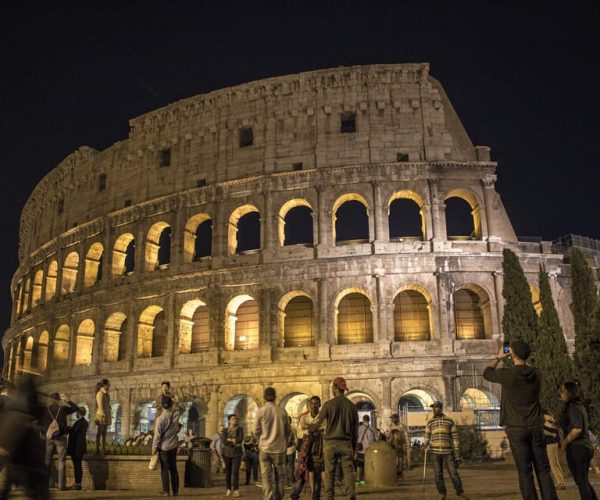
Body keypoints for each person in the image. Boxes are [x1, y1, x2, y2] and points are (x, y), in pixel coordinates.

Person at [483, 340, 558, 500]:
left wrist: (499, 357)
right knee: (543, 470)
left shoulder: (508, 375)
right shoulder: (537, 373)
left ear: (513, 354)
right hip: (536, 425)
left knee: (524, 471)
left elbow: (487, 373)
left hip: (516, 427)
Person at [309, 376, 358, 500]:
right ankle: (351, 496)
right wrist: (353, 446)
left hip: (330, 444)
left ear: (335, 388)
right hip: (346, 443)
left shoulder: (328, 405)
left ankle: (330, 497)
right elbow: (355, 430)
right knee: (348, 472)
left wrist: (311, 428)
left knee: (329, 472)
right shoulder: (352, 407)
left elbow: (318, 423)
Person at [558, 381, 598, 499]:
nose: (561, 393)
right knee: (583, 481)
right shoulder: (579, 407)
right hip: (584, 447)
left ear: (570, 392)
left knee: (581, 482)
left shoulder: (574, 408)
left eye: (563, 391)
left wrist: (564, 443)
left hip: (578, 449)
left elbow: (577, 429)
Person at [423, 401, 467, 500]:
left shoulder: (449, 421)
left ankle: (460, 493)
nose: (434, 409)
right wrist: (425, 443)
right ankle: (442, 494)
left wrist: (456, 450)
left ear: (440, 408)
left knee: (453, 473)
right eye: (433, 408)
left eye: (436, 407)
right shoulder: (430, 422)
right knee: (438, 474)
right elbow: (427, 435)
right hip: (435, 452)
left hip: (448, 452)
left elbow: (455, 436)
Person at [254, 386, 292, 500]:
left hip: (265, 449)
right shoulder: (282, 411)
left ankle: (268, 497)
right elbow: (288, 431)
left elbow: (256, 431)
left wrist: (260, 441)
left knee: (266, 478)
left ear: (264, 397)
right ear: (275, 397)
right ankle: (279, 497)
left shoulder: (260, 411)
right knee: (280, 477)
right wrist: (285, 443)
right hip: (279, 449)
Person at [41, 392, 78, 491]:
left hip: (49, 438)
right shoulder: (63, 409)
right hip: (60, 438)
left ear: (50, 400)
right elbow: (75, 408)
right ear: (58, 400)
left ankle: (45, 485)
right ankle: (61, 486)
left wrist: (45, 433)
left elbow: (42, 423)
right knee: (61, 462)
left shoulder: (46, 410)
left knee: (47, 461)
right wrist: (67, 400)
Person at [291, 395, 324, 500]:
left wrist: (311, 428)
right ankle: (295, 495)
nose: (314, 406)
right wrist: (310, 430)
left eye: (316, 403)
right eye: (312, 403)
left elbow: (325, 430)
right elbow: (299, 433)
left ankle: (316, 496)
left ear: (319, 405)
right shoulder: (304, 418)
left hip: (319, 450)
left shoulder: (323, 417)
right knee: (302, 473)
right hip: (307, 450)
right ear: (309, 405)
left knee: (317, 474)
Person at [152, 395, 183, 497]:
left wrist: (154, 449)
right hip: (173, 446)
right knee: (174, 469)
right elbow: (183, 407)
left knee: (165, 469)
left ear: (161, 405)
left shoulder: (160, 419)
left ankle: (166, 490)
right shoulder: (176, 414)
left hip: (163, 447)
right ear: (171, 405)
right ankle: (176, 491)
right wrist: (175, 401)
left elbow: (157, 436)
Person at [67, 406, 89, 490]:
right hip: (80, 447)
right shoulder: (85, 422)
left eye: (76, 412)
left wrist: (69, 429)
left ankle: (77, 484)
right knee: (78, 466)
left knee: (77, 466)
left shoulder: (80, 422)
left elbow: (74, 432)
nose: (76, 414)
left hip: (77, 447)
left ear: (79, 413)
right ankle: (78, 483)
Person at [543, 409, 566, 490]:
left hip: (549, 442)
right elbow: (555, 430)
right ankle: (561, 481)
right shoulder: (550, 417)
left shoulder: (543, 418)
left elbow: (548, 431)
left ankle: (561, 483)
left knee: (553, 464)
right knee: (555, 463)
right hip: (553, 443)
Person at [222, 414, 243, 497]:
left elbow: (240, 439)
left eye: (236, 419)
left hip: (237, 453)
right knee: (228, 472)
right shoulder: (225, 430)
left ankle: (236, 489)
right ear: (229, 421)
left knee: (235, 472)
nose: (235, 420)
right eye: (233, 419)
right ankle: (228, 489)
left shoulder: (240, 429)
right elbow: (224, 441)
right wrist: (234, 441)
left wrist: (230, 440)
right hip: (227, 453)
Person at [355, 414, 376, 482]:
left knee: (360, 465)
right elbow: (377, 439)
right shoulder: (373, 429)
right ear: (369, 420)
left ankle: (359, 480)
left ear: (363, 420)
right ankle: (367, 480)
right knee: (369, 465)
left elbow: (356, 438)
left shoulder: (359, 428)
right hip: (370, 450)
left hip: (361, 450)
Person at [94, 379, 111, 455]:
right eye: (108, 384)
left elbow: (107, 404)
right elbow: (100, 406)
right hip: (101, 416)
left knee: (104, 433)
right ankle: (97, 449)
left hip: (106, 415)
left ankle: (103, 449)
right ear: (104, 385)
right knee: (99, 433)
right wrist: (103, 415)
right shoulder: (100, 394)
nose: (109, 385)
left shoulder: (105, 394)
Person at [286, 416, 298, 486]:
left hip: (284, 450)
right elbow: (296, 439)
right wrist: (295, 446)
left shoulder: (282, 429)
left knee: (285, 465)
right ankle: (291, 479)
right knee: (291, 465)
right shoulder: (293, 429)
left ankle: (286, 480)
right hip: (291, 449)